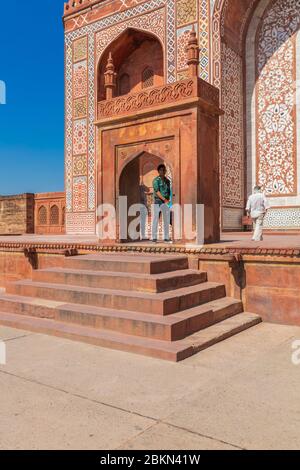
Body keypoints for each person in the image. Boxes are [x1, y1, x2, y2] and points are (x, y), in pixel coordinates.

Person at [152, 164, 172, 243]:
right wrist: (164, 199)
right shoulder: (156, 180)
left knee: (166, 219)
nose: (162, 171)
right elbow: (157, 192)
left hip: (165, 202)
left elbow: (169, 192)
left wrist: (168, 200)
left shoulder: (167, 181)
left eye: (164, 170)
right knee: (156, 219)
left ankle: (166, 237)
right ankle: (154, 237)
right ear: (158, 171)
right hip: (158, 201)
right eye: (161, 170)